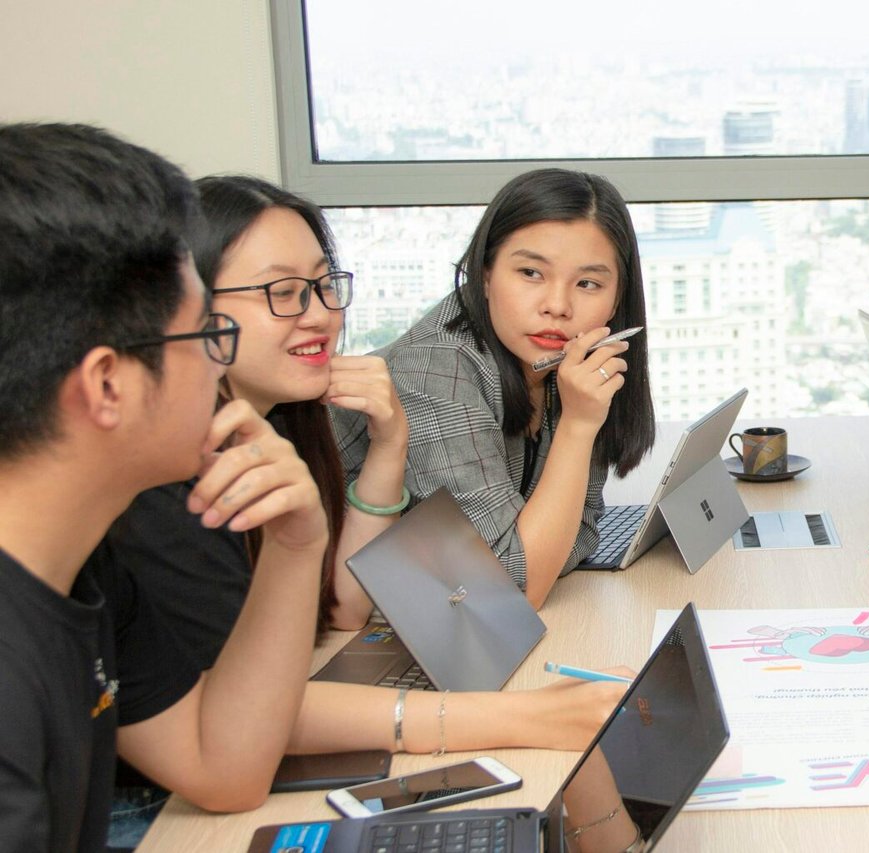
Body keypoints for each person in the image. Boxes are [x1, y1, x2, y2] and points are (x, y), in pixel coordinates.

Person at [103, 176, 632, 832]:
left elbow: (342, 604)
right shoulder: (159, 483)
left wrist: (388, 449)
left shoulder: (281, 418)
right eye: (284, 293)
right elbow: (236, 720)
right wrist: (522, 717)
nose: (322, 315)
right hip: (150, 809)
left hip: (240, 743)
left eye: (326, 286)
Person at [0, 123, 327, 851]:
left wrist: (296, 546)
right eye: (203, 335)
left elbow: (224, 767)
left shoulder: (82, 567)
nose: (220, 365)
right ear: (108, 383)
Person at [334, 168, 654, 608]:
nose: (557, 306)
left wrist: (534, 545)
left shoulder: (562, 361)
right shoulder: (435, 370)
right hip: (328, 619)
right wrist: (578, 426)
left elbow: (580, 533)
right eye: (530, 273)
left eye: (587, 284)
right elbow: (510, 588)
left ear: (617, 299)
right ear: (485, 273)